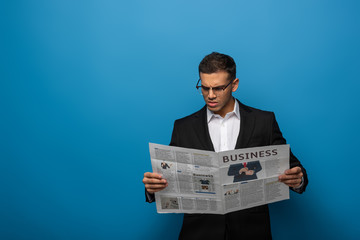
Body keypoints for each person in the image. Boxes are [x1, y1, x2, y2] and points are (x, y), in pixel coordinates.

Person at [143, 52, 308, 240]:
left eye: (218, 88)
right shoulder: (183, 127)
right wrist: (152, 188)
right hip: (199, 233)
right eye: (204, 88)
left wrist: (297, 179)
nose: (210, 95)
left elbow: (295, 168)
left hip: (251, 232)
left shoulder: (264, 121)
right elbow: (169, 177)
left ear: (234, 85)